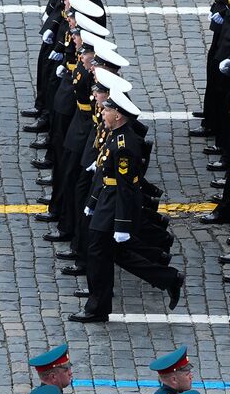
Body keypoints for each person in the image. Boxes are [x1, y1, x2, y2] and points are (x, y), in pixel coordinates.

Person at [68, 92, 182, 322]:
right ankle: (168, 278)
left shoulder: (124, 145)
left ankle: (97, 308)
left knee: (98, 254)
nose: (102, 112)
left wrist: (121, 224)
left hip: (113, 206)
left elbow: (125, 187)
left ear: (118, 115)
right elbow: (103, 173)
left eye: (106, 110)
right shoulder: (115, 135)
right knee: (115, 253)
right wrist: (92, 203)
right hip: (105, 201)